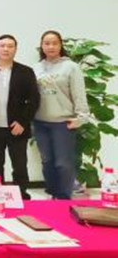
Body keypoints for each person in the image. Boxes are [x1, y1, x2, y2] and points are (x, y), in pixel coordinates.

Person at [33, 30, 89, 200]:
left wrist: (81, 117)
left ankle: (63, 198)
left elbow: (79, 93)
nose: (51, 46)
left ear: (60, 45)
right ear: (42, 46)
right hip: (40, 123)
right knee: (47, 162)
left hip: (63, 123)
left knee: (63, 163)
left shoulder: (71, 67)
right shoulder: (36, 68)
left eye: (54, 43)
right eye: (47, 43)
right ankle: (53, 195)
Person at [0, 34, 40, 200]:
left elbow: (34, 100)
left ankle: (21, 194)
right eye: (2, 45)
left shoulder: (25, 72)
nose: (6, 49)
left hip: (17, 127)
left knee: (20, 164)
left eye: (10, 46)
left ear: (15, 49)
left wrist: (22, 122)